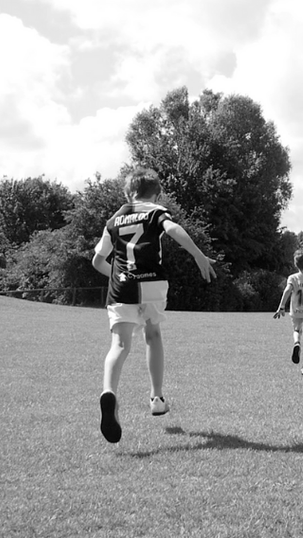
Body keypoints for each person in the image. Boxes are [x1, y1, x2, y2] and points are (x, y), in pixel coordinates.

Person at [91, 168, 216, 443]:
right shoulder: (156, 211)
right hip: (152, 284)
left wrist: (118, 276)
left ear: (128, 193)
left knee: (119, 345)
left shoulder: (114, 219)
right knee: (153, 334)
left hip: (122, 286)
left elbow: (97, 261)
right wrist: (198, 255)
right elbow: (172, 229)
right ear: (156, 193)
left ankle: (108, 392)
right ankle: (156, 398)